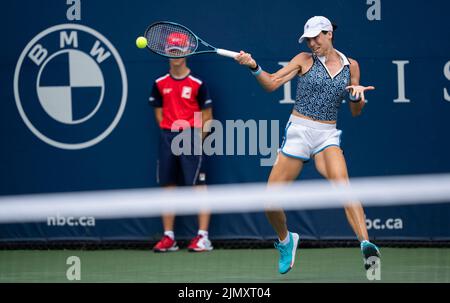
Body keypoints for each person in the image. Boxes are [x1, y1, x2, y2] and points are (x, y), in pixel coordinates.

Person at [234, 16, 380, 274]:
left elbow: (356, 111)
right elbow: (271, 83)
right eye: (309, 39)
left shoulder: (351, 66)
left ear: (329, 34)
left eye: (316, 37)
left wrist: (357, 98)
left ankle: (367, 246)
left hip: (327, 135)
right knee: (270, 202)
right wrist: (254, 66)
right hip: (299, 132)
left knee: (344, 187)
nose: (313, 43)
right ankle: (285, 240)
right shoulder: (304, 60)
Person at [149, 32, 214, 252]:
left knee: (198, 186)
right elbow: (159, 114)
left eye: (180, 50)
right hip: (168, 136)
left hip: (191, 136)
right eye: (172, 50)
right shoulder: (159, 83)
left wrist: (197, 139)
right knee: (168, 187)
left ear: (187, 52)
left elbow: (207, 117)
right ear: (166, 52)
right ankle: (169, 237)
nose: (176, 55)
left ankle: (203, 237)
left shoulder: (198, 84)